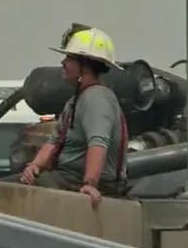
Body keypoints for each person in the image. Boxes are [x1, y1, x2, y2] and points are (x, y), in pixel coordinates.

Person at [9, 24, 129, 208]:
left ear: (85, 66)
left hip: (75, 182)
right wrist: (34, 166)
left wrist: (90, 184)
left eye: (69, 58)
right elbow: (54, 142)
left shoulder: (96, 99)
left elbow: (98, 143)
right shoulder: (77, 99)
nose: (63, 63)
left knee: (0, 193)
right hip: (67, 178)